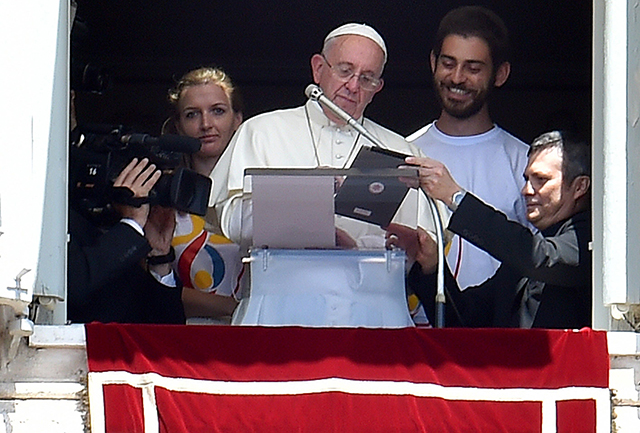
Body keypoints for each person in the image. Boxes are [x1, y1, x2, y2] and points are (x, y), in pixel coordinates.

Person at [209, 23, 437, 327]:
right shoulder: (262, 131)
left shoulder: (399, 149)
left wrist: (406, 247)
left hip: (374, 318)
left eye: (367, 78)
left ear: (378, 87)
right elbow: (232, 221)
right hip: (279, 315)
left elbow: (422, 250)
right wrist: (307, 203)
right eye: (345, 71)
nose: (354, 86)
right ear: (318, 69)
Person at [388, 131, 592, 329]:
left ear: (579, 187)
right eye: (527, 179)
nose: (526, 191)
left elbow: (540, 257)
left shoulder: (593, 238)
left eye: (541, 179)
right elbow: (465, 319)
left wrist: (455, 197)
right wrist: (431, 265)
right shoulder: (523, 256)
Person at [407, 6, 529, 290]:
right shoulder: (406, 153)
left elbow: (540, 258)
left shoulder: (524, 162)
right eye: (448, 64)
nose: (458, 78)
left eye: (473, 68)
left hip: (500, 331)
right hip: (416, 329)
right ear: (432, 62)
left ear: (500, 74)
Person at [165, 67, 244, 321]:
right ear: (178, 126)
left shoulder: (258, 196)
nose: (206, 124)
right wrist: (242, 309)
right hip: (187, 347)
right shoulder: (163, 201)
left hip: (258, 346)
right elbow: (154, 292)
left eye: (218, 111)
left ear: (237, 119)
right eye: (192, 115)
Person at [68, 157, 186, 324]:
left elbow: (166, 332)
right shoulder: (56, 216)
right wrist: (131, 224)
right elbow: (73, 285)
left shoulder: (125, 239)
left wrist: (159, 256)